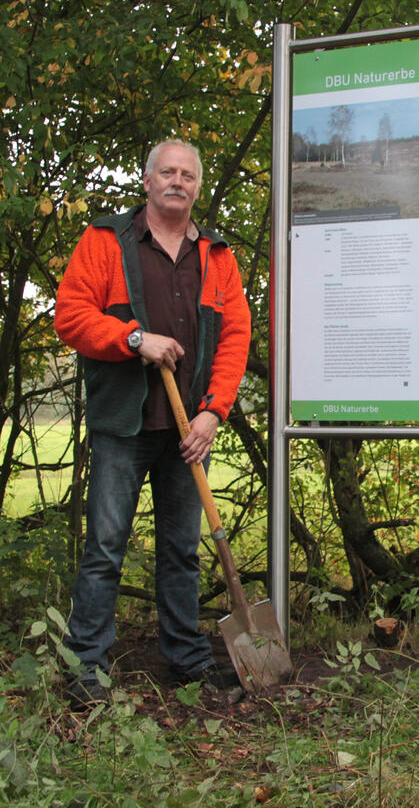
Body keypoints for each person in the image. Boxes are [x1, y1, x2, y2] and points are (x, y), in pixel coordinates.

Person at [54, 139, 252, 708]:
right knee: (106, 546)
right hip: (125, 424)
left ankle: (186, 660)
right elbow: (71, 315)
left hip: (189, 428)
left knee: (181, 550)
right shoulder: (104, 242)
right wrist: (133, 339)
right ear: (147, 181)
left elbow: (235, 337)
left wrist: (215, 411)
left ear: (197, 186)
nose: (177, 181)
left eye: (187, 175)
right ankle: (84, 666)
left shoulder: (217, 257)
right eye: (167, 172)